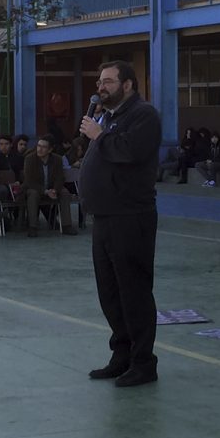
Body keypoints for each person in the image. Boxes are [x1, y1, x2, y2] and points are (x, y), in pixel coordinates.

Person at [79, 60, 161, 388]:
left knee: (134, 291)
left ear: (127, 84)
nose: (102, 86)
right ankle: (121, 355)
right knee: (110, 292)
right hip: (104, 216)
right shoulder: (108, 116)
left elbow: (129, 152)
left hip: (130, 217)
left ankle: (144, 363)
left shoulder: (144, 116)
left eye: (109, 81)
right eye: (100, 81)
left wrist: (99, 135)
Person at [22, 135, 77, 238]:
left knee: (65, 193)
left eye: (43, 147)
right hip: (35, 188)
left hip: (52, 187)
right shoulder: (30, 159)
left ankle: (66, 225)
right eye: (38, 146)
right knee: (33, 194)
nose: (40, 149)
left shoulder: (57, 159)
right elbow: (29, 181)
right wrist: (46, 191)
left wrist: (55, 190)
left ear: (50, 149)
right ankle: (32, 227)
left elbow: (60, 178)